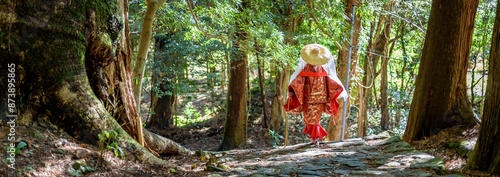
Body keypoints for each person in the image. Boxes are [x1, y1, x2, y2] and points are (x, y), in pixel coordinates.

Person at [284, 44, 348, 145]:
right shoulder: (305, 69)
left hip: (320, 99)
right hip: (307, 99)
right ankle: (313, 136)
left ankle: (314, 138)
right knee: (309, 117)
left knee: (315, 118)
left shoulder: (323, 69)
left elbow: (329, 81)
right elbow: (298, 81)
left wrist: (338, 88)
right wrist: (292, 89)